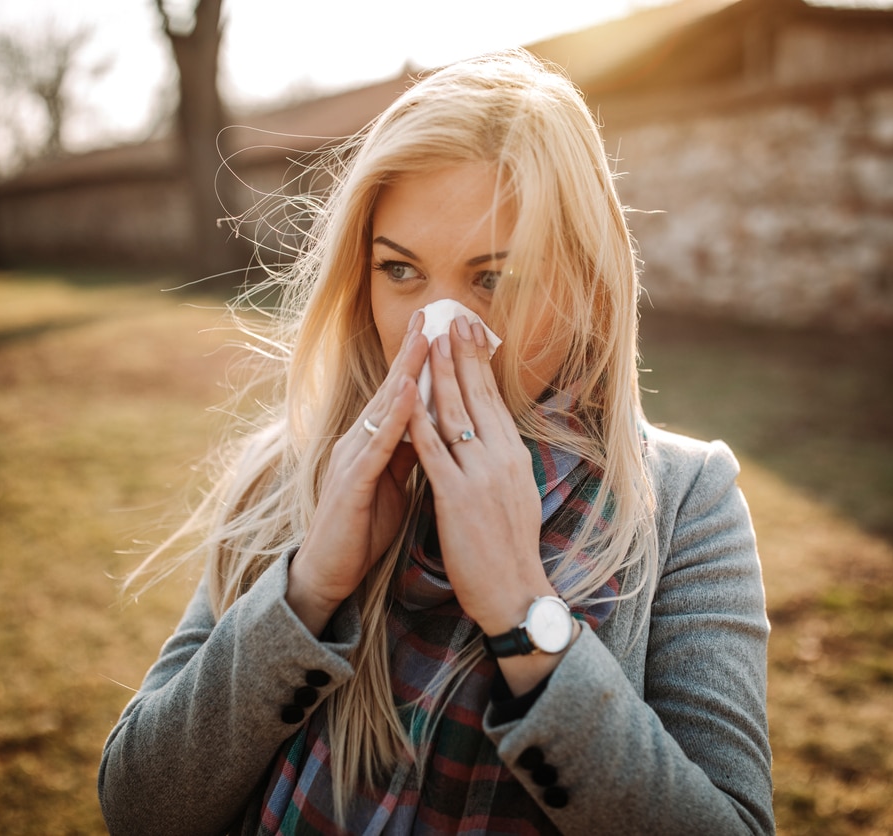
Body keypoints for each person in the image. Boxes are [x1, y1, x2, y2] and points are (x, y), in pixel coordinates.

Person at [98, 49, 774, 836]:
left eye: (495, 277)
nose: (436, 330)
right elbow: (138, 806)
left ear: (588, 284)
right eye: (401, 270)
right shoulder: (292, 472)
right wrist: (310, 587)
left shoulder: (687, 507)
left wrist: (522, 610)